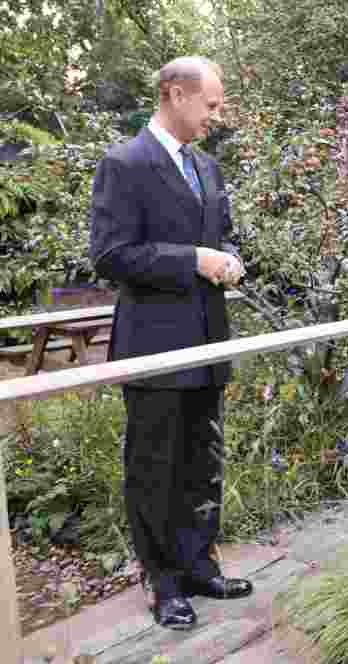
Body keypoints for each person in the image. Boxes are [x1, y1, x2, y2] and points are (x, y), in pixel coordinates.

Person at [90, 56, 250, 631]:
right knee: (154, 466)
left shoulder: (208, 165)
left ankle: (198, 564)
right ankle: (162, 583)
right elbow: (109, 254)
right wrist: (193, 261)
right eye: (209, 105)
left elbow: (220, 234)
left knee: (202, 460)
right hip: (153, 344)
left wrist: (230, 258)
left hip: (209, 338)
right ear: (173, 95)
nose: (216, 115)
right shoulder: (124, 163)